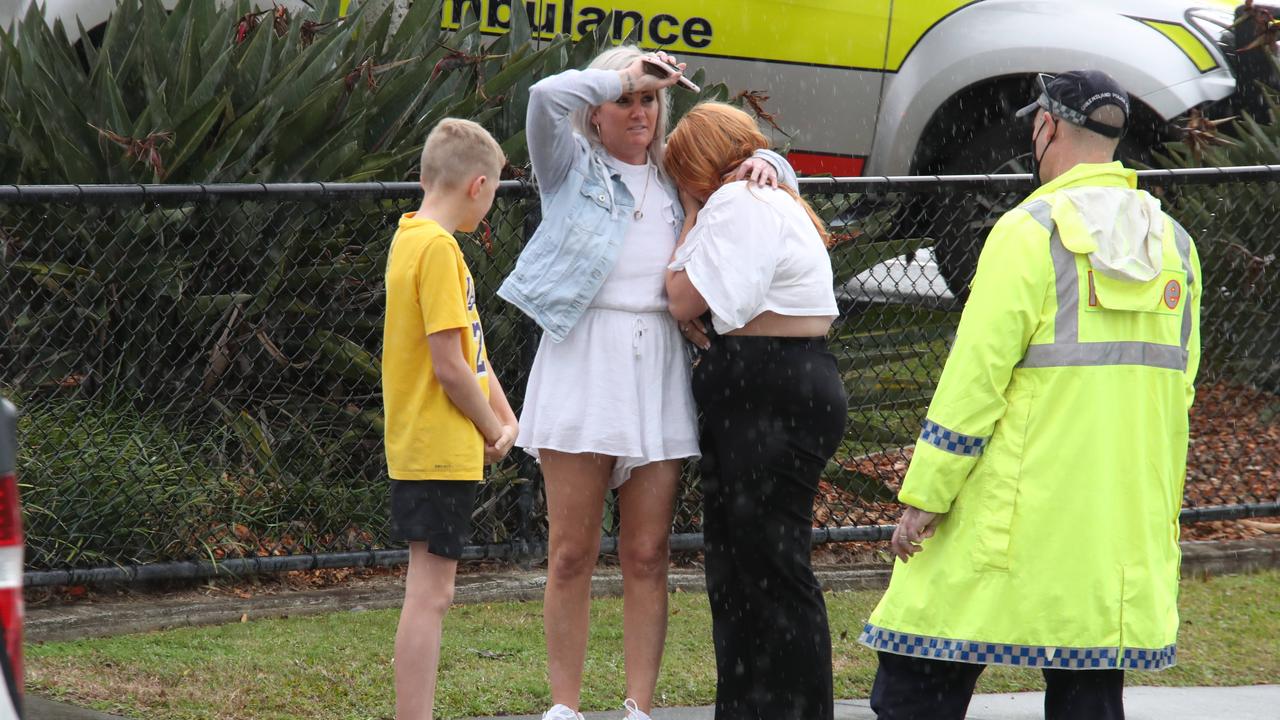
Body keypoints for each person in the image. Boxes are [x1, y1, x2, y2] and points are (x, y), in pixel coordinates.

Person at [859, 70, 1202, 720]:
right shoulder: (1176, 248)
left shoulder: (1027, 234)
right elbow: (1178, 393)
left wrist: (925, 497)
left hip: (1008, 526)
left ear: (1045, 126)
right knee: (1086, 693)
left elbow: (973, 382)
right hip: (1111, 534)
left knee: (916, 680)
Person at [498, 47, 796, 720]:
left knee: (646, 552)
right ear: (596, 112)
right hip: (583, 358)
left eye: (650, 100)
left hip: (657, 362)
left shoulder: (674, 176)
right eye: (627, 100)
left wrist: (769, 165)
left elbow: (768, 165)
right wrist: (627, 73)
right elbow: (546, 96)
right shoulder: (569, 168)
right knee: (571, 551)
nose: (639, 111)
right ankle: (565, 707)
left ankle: (639, 705)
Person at [663, 102, 847, 720]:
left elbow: (682, 296)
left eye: (681, 175)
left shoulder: (738, 203)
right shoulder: (770, 198)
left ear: (700, 169)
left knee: (765, 569)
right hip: (777, 379)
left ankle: (781, 708)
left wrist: (691, 214)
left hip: (766, 385)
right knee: (746, 567)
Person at [382, 118, 519, 720]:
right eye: (492, 194)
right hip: (438, 447)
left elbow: (473, 354)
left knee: (430, 591)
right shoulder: (440, 249)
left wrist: (505, 416)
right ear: (478, 186)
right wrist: (493, 431)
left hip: (427, 445)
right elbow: (450, 367)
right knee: (431, 595)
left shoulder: (411, 236)